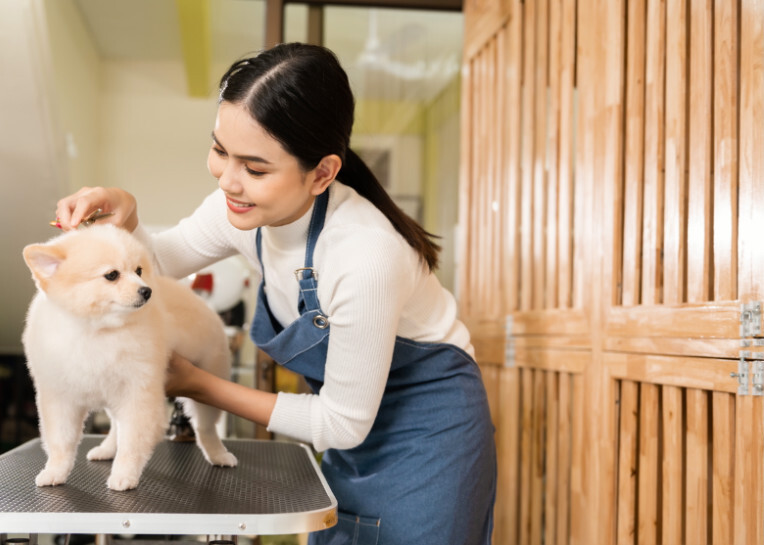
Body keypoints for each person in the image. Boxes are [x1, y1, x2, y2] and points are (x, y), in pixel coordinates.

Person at [55, 42, 496, 544]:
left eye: (255, 169)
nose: (228, 181)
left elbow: (342, 424)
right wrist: (126, 216)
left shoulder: (366, 257)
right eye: (220, 151)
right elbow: (159, 263)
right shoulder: (241, 211)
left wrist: (195, 383)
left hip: (429, 434)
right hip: (350, 425)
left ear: (323, 173)